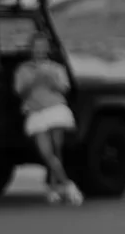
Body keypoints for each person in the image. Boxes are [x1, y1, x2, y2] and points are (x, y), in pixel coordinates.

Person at [13, 31, 84, 206]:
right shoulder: (24, 69)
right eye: (36, 47)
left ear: (47, 49)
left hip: (55, 108)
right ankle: (68, 185)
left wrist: (50, 78)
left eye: (43, 47)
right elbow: (19, 91)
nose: (40, 50)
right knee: (47, 152)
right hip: (36, 112)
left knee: (57, 148)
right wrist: (33, 78)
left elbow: (64, 88)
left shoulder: (56, 67)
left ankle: (53, 188)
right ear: (31, 49)